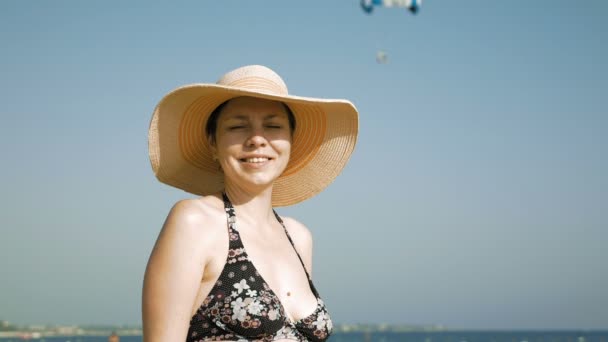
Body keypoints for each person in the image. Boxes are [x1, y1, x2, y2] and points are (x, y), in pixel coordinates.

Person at [143, 65, 358, 342]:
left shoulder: (298, 236)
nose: (257, 139)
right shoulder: (194, 221)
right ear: (213, 142)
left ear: (291, 140)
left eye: (273, 126)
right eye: (237, 126)